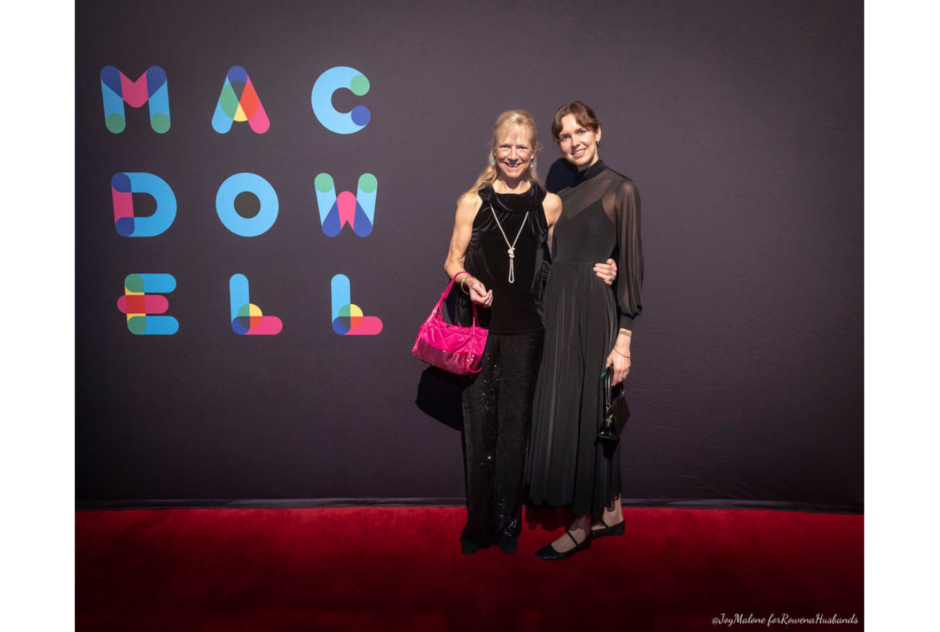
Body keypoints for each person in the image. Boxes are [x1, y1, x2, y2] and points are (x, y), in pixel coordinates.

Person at [443, 110, 617, 555]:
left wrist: (608, 266)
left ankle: (507, 526)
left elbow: (567, 258)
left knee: (516, 432)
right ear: (494, 149)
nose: (513, 154)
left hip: (529, 334)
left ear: (535, 151)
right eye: (506, 145)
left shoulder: (549, 204)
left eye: (522, 146)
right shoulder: (472, 201)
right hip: (481, 332)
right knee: (480, 432)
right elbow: (452, 261)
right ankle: (477, 527)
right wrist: (467, 281)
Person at [526, 101, 644, 560]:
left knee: (589, 412)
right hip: (557, 313)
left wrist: (625, 339)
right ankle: (610, 510)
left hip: (596, 316)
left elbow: (631, 267)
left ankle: (582, 523)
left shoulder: (623, 189)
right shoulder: (560, 198)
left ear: (597, 132)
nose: (573, 142)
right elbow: (550, 261)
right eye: (565, 136)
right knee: (571, 410)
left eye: (581, 132)